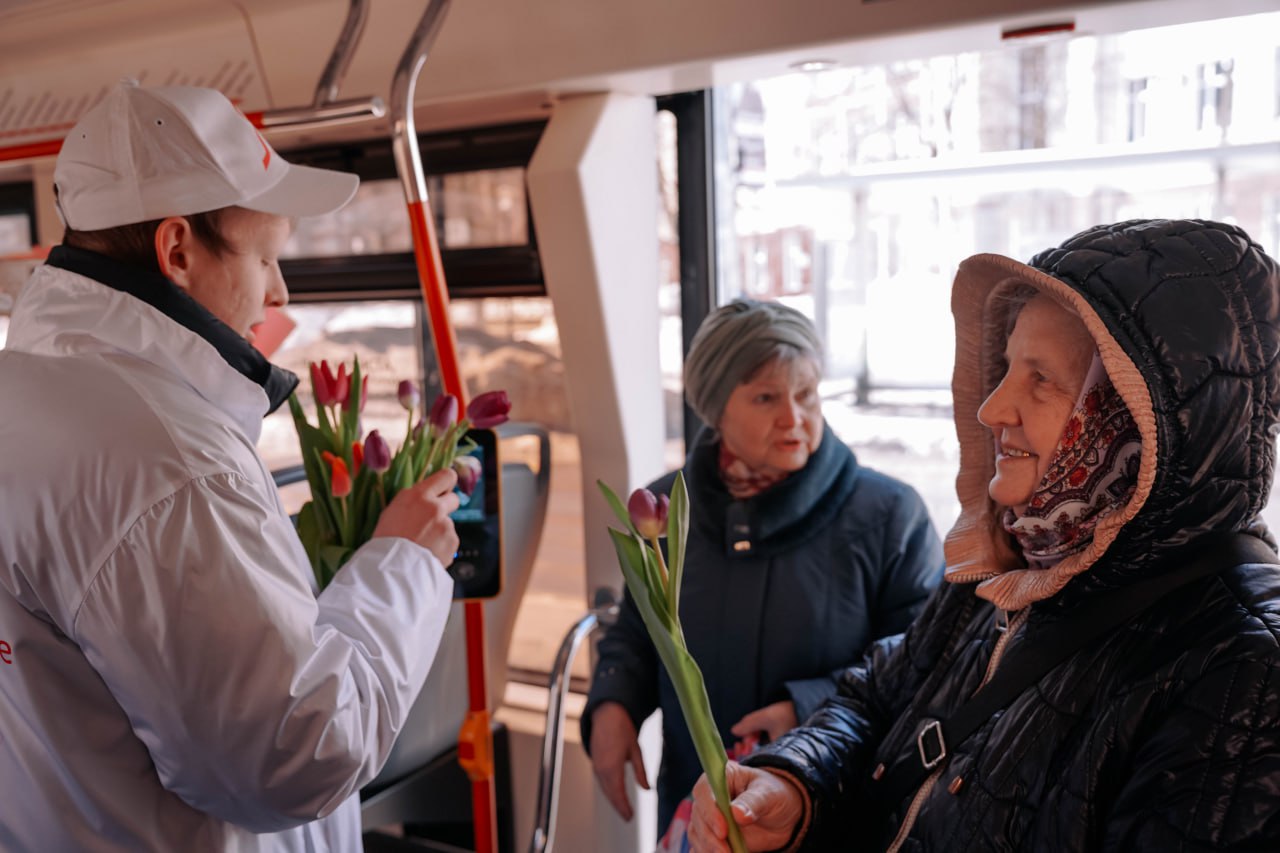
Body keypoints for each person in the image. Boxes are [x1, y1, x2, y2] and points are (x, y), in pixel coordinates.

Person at [687, 218, 1280, 852]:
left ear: (1138, 417)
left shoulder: (1243, 671)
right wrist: (796, 782)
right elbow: (878, 700)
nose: (991, 407)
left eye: (1041, 379)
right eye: (1005, 367)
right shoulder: (1009, 561)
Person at [0, 81, 461, 851]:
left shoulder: (26, 390)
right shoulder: (171, 467)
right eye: (265, 256)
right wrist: (402, 564)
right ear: (177, 250)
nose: (279, 290)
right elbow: (298, 756)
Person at [583, 298, 946, 841]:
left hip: (829, 815)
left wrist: (806, 706)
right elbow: (640, 630)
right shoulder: (663, 513)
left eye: (806, 394)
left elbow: (922, 665)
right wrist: (613, 702)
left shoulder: (889, 517)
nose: (794, 418)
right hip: (699, 813)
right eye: (766, 397)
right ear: (715, 410)